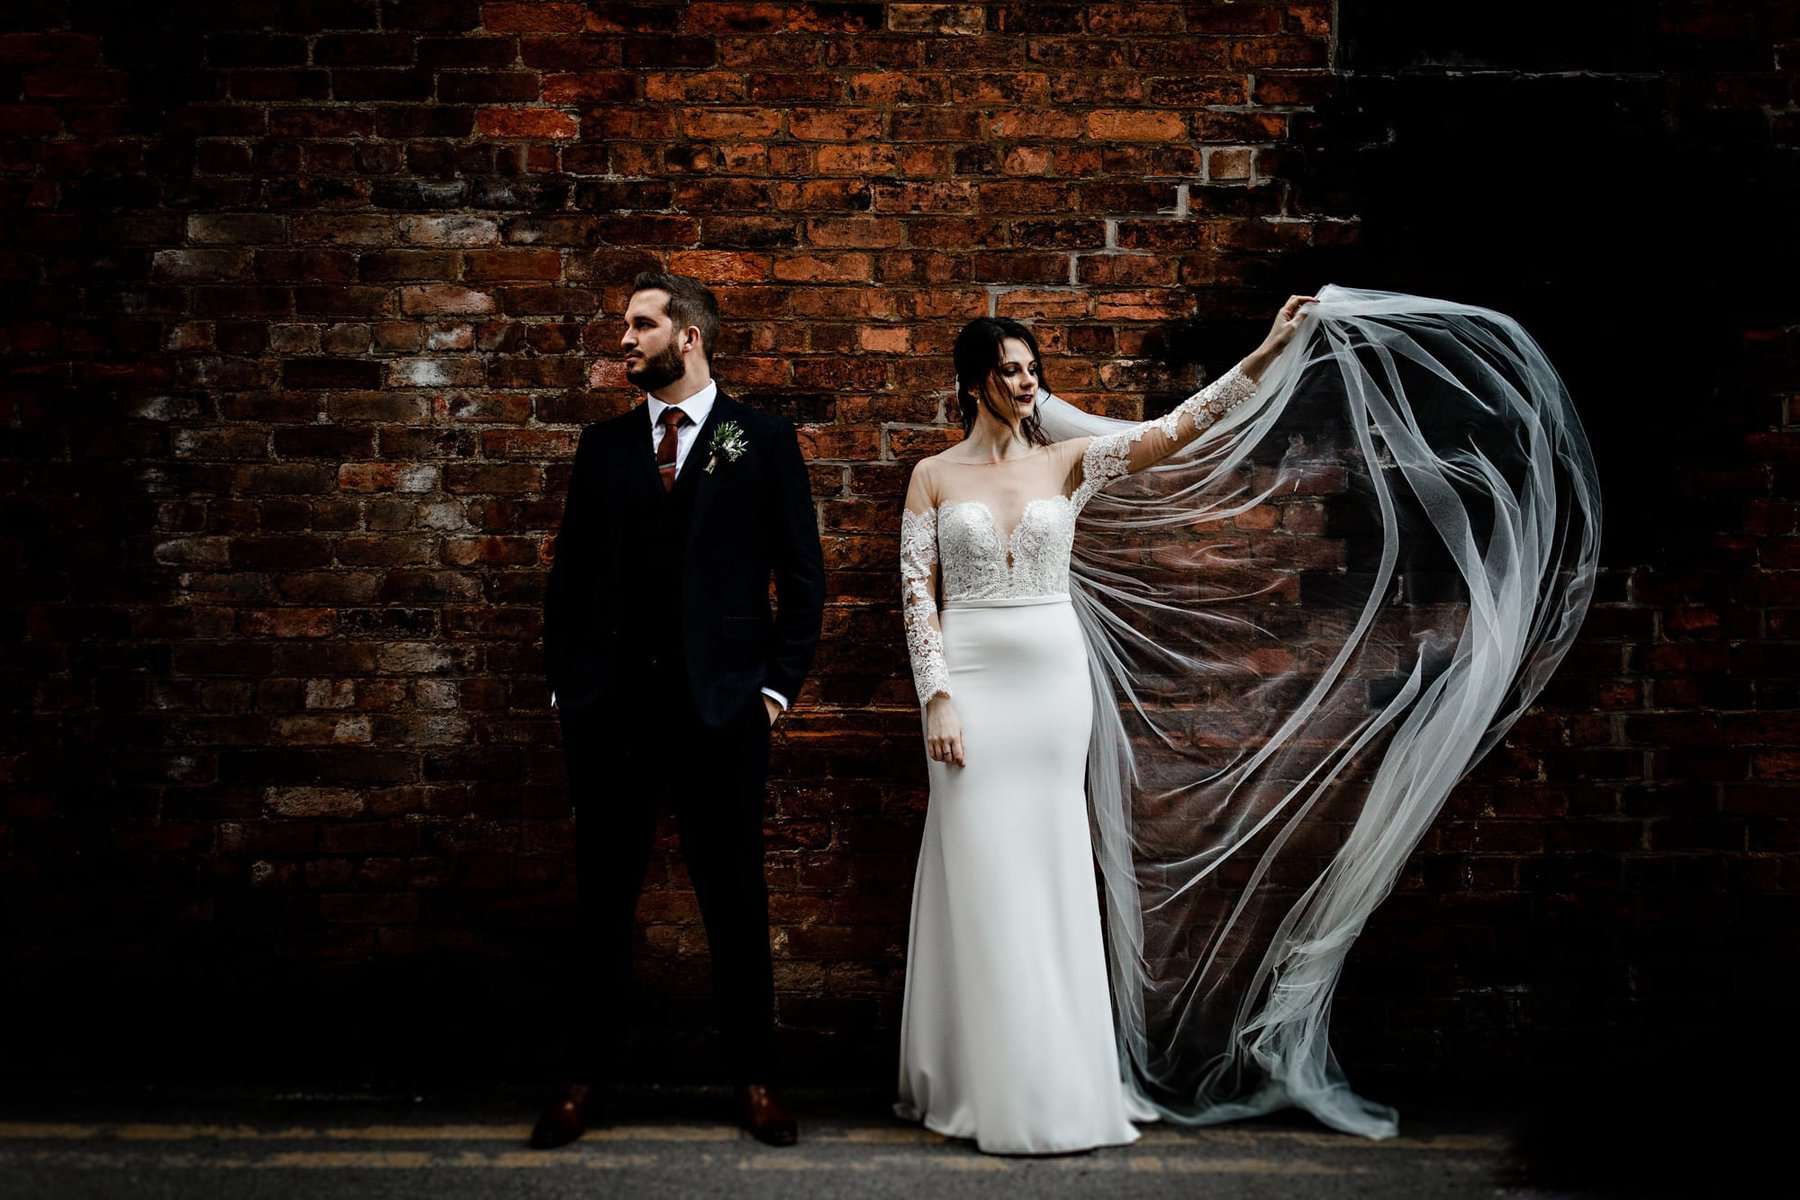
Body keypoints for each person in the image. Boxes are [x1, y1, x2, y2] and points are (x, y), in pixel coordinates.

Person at [893, 286, 1602, 1153]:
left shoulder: (1069, 464)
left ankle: (1049, 1074)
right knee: (976, 866)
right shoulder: (934, 476)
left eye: (1036, 369)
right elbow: (917, 596)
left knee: (1045, 866)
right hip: (969, 679)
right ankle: (967, 1074)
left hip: (1050, 683)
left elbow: (1182, 428)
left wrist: (1268, 351)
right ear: (974, 383)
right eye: (1011, 372)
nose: (1029, 384)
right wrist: (937, 696)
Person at [532, 271, 826, 1150]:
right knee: (602, 903)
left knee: (735, 899)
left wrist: (772, 693)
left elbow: (803, 579)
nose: (625, 340)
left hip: (722, 712)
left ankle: (757, 1080)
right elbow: (570, 582)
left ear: (687, 337)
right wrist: (568, 691)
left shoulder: (761, 441)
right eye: (627, 327)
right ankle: (584, 1080)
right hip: (612, 716)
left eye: (640, 325)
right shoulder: (604, 449)